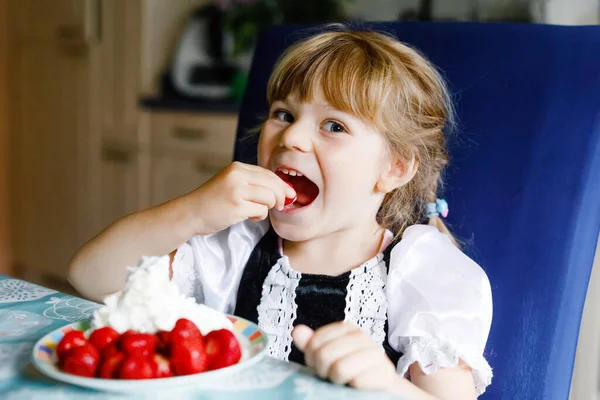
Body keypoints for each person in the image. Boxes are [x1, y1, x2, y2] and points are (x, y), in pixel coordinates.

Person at [69, 28, 493, 399]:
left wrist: (386, 386)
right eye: (283, 114)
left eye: (334, 126)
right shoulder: (235, 245)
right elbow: (90, 276)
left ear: (395, 167)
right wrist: (192, 212)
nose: (291, 136)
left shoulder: (423, 273)